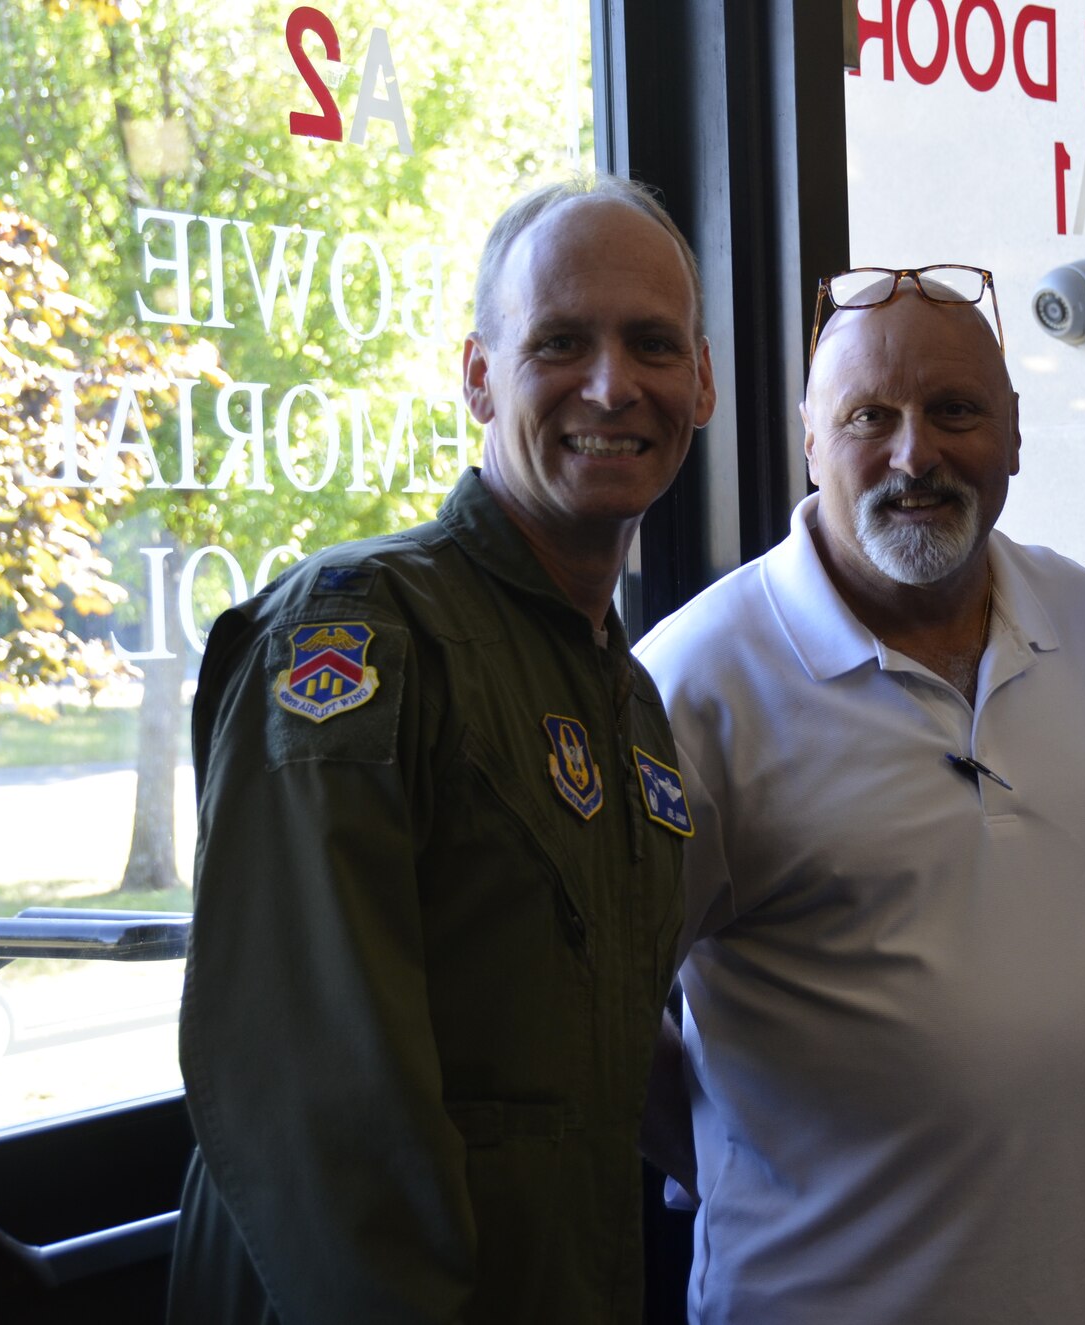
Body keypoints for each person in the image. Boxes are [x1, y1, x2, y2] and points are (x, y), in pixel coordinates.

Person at [167, 174, 717, 1324]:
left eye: (651, 343)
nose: (612, 384)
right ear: (478, 376)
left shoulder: (628, 700)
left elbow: (597, 1038)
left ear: (701, 383)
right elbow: (313, 1102)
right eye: (560, 340)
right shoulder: (361, 633)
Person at [636, 266, 1085, 1324]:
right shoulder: (692, 683)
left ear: (1014, 435)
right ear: (810, 439)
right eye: (868, 417)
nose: (914, 454)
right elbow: (596, 1012)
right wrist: (730, 1158)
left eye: (954, 411)